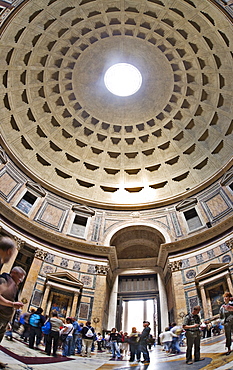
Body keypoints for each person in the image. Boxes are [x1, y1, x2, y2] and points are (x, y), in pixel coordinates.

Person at [0, 266, 26, 343]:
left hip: (4, 319)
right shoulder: (4, 280)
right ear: (13, 273)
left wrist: (9, 322)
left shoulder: (14, 286)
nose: (20, 281)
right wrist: (12, 304)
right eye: (20, 278)